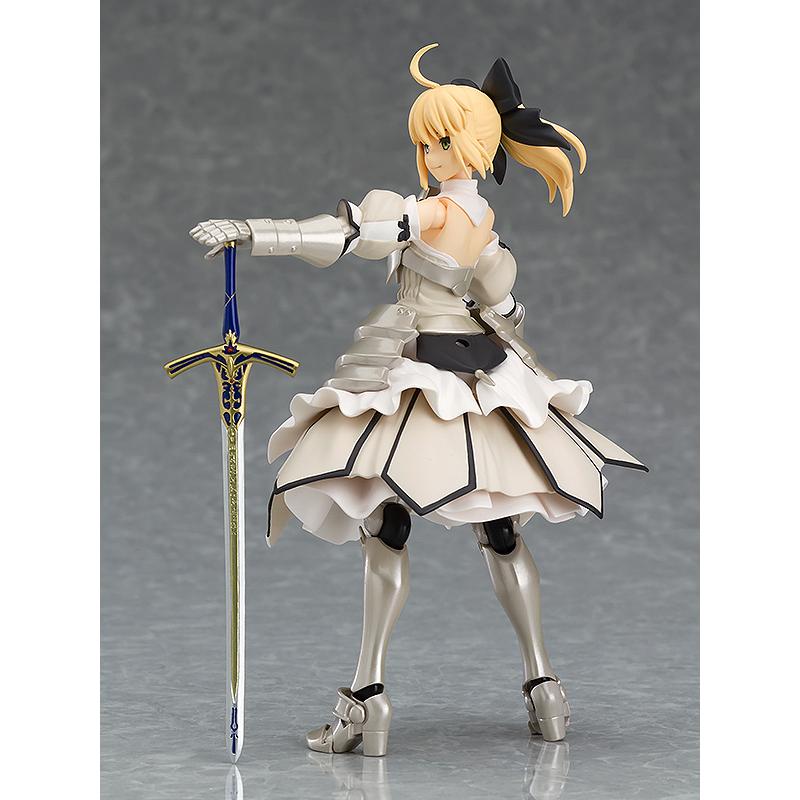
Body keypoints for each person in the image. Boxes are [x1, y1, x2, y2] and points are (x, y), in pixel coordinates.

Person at [190, 43, 647, 757]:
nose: (429, 155)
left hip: (424, 373)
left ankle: (367, 700)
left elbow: (350, 234)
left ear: (468, 145)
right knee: (499, 527)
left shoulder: (430, 213)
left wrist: (254, 234)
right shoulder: (484, 222)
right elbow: (499, 301)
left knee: (389, 523)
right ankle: (546, 691)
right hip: (481, 369)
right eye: (425, 143)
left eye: (439, 142)